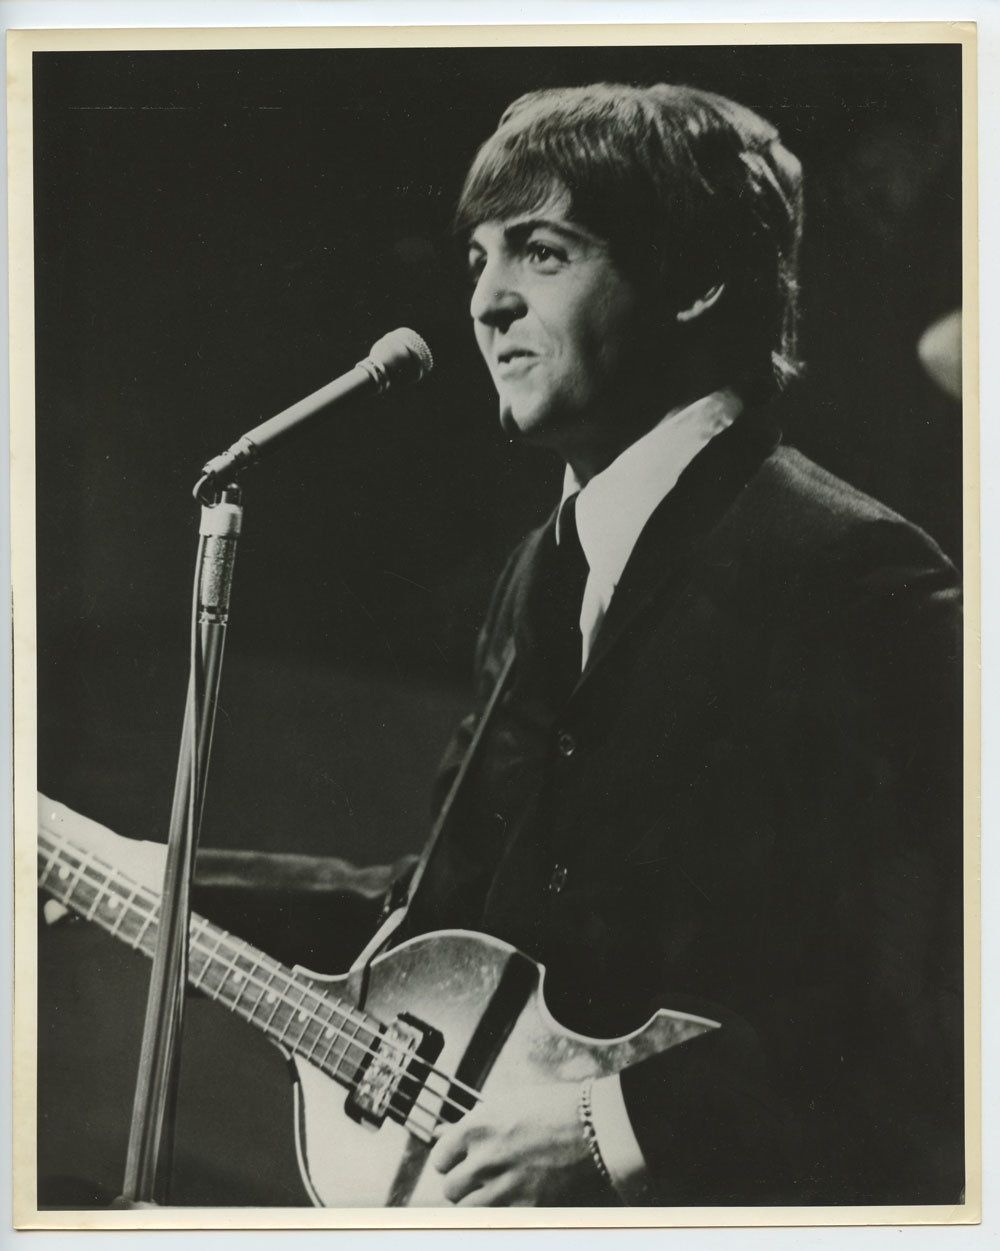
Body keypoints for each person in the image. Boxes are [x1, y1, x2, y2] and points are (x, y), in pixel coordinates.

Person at [374, 83, 964, 1207]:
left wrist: (609, 1127)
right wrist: (123, 872)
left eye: (541, 254)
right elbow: (440, 914)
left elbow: (938, 1006)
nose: (487, 301)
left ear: (696, 281)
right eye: (476, 262)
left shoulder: (857, 579)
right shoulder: (538, 569)